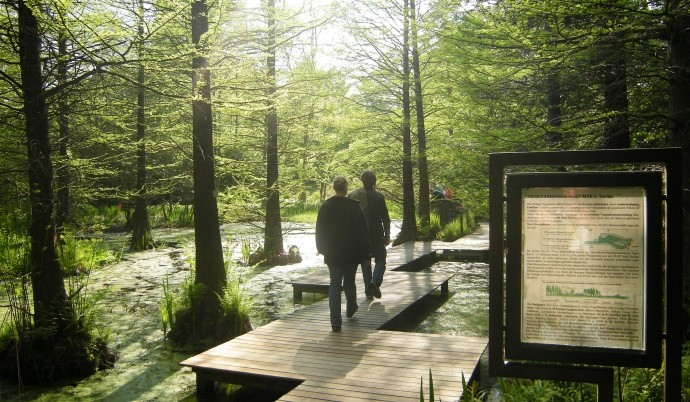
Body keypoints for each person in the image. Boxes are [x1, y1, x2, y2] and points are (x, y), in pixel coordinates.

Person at [316, 176, 372, 332]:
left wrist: (321, 248)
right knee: (349, 282)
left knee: (334, 284)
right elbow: (362, 233)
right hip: (351, 252)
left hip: (332, 253)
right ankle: (351, 308)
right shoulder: (354, 207)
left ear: (335, 188)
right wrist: (366, 255)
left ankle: (335, 322)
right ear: (346, 188)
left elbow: (319, 230)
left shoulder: (326, 206)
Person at [348, 170, 391, 300]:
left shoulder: (354, 195)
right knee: (381, 260)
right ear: (374, 181)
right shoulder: (379, 196)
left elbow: (350, 219)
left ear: (362, 180)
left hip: (362, 236)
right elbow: (385, 218)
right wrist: (387, 235)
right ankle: (375, 282)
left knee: (366, 262)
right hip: (377, 234)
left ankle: (368, 292)